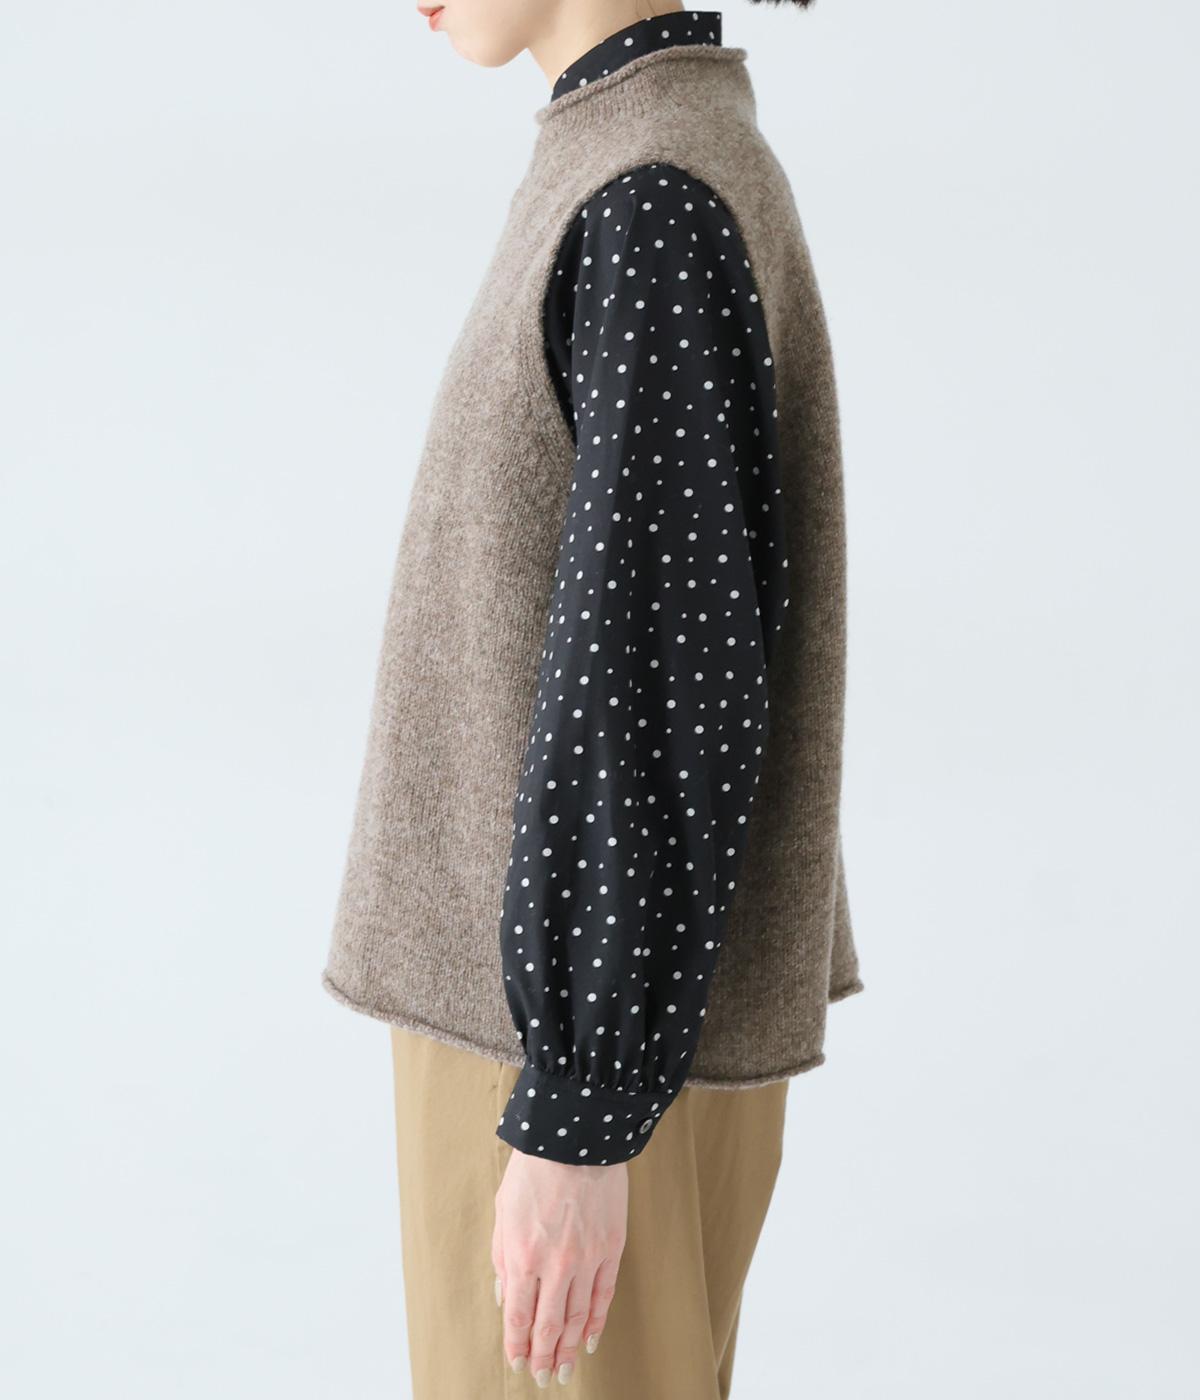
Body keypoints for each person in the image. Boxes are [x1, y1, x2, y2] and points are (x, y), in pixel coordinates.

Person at [323, 2, 863, 1394]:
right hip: (571, 1022)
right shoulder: (634, 151)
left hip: (569, 1046)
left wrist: (578, 1110)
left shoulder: (653, 190)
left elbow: (662, 669)